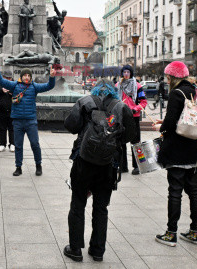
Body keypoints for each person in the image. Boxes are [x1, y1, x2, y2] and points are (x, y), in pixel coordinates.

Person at [63, 80, 136, 262]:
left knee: (78, 203)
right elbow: (130, 135)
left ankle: (75, 249)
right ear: (114, 91)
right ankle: (97, 250)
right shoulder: (121, 106)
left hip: (83, 160)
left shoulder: (85, 102)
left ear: (95, 89)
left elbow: (71, 125)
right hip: (108, 164)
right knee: (101, 208)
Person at [153, 61, 197, 247]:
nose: (167, 80)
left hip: (177, 150)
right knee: (194, 191)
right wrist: (166, 120)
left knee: (175, 191)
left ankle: (171, 233)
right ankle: (194, 232)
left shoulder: (176, 93)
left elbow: (171, 123)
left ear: (172, 77)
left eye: (168, 77)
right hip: (196, 149)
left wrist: (161, 125)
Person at [0, 57, 56, 176]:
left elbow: (48, 86)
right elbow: (1, 81)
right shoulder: (14, 85)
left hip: (30, 121)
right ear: (21, 76)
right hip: (17, 121)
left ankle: (38, 165)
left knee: (35, 144)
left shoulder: (34, 86)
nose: (27, 77)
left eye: (28, 75)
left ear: (31, 77)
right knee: (18, 145)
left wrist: (52, 77)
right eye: (25, 75)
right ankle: (18, 167)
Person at [115, 65, 147, 175]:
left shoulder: (137, 86)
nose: (126, 74)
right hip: (121, 117)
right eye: (124, 72)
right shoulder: (117, 86)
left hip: (134, 117)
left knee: (136, 142)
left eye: (128, 72)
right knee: (120, 142)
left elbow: (143, 102)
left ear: (131, 73)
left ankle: (138, 165)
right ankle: (122, 166)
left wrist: (135, 109)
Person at [0, 70, 15, 152]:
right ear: (3, 77)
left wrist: (12, 93)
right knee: (2, 128)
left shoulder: (14, 84)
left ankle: (12, 144)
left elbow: (20, 93)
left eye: (9, 78)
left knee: (12, 128)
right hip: (2, 110)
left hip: (12, 110)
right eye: (6, 77)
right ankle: (2, 144)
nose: (8, 79)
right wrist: (1, 91)